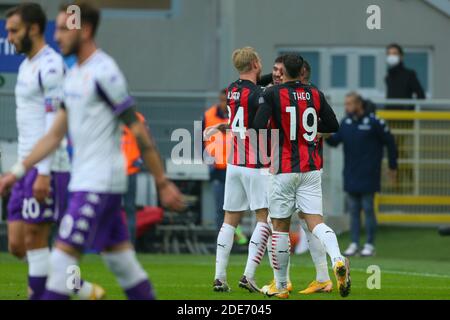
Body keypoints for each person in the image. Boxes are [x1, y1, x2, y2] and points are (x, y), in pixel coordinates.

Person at [0, 1, 185, 300]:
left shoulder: (105, 73)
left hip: (100, 185)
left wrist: (161, 182)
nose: (56, 36)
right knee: (122, 264)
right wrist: (16, 172)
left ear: (84, 31)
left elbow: (137, 129)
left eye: (63, 29)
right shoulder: (73, 76)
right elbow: (53, 135)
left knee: (60, 265)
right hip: (85, 182)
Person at [3, 2, 103, 300]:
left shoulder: (51, 66)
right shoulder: (26, 65)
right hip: (26, 164)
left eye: (14, 31)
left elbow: (53, 123)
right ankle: (80, 288)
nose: (9, 37)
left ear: (33, 29)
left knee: (36, 237)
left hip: (48, 166)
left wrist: (42, 173)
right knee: (17, 245)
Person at [253, 53, 350, 299]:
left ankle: (281, 285)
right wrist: (313, 134)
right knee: (315, 222)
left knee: (280, 227)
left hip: (283, 169)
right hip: (311, 168)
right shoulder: (315, 93)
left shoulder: (273, 93)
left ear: (282, 73)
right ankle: (338, 259)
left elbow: (258, 125)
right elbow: (333, 125)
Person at [212, 47, 270, 293]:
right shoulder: (259, 94)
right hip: (254, 163)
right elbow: (260, 102)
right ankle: (248, 275)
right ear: (256, 63)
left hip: (233, 162)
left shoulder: (233, 88)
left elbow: (256, 84)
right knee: (264, 219)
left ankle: (219, 276)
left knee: (229, 221)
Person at [326, 92, 398, 257]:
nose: (347, 107)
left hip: (369, 174)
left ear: (359, 104)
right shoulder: (346, 123)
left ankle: (370, 244)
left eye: (349, 104)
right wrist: (324, 134)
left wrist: (392, 166)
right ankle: (354, 243)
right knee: (353, 210)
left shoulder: (374, 122)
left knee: (368, 209)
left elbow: (390, 143)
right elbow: (335, 141)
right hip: (351, 174)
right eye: (345, 104)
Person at [121, 112, 146, 245]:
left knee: (124, 209)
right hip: (125, 170)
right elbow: (146, 142)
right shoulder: (138, 118)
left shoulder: (110, 115)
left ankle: (121, 245)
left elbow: (145, 141)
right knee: (129, 209)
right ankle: (128, 246)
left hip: (123, 170)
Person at [385, 43, 425, 109]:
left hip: (405, 115)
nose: (391, 56)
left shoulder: (409, 74)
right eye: (389, 54)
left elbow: (421, 95)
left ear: (401, 56)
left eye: (394, 53)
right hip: (390, 115)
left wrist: (410, 108)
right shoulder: (388, 76)